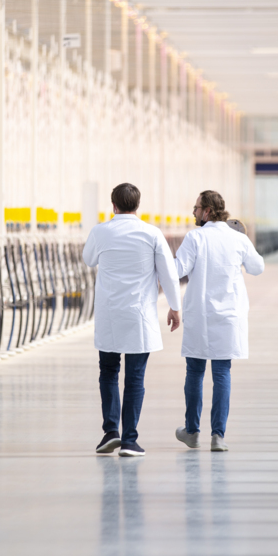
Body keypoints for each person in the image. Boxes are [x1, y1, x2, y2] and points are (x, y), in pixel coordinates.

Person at [83, 183, 182, 457]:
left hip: (109, 314)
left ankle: (110, 432)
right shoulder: (151, 233)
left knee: (108, 372)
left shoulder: (101, 231)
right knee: (135, 378)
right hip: (139, 315)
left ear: (113, 205)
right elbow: (168, 273)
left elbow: (88, 259)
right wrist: (175, 307)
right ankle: (129, 440)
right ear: (138, 205)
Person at [173, 190, 264, 452]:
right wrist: (243, 244)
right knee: (222, 372)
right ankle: (218, 436)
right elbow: (257, 267)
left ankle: (192, 432)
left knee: (195, 372)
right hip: (228, 317)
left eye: (196, 208)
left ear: (208, 211)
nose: (193, 212)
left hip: (200, 316)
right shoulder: (238, 239)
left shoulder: (196, 237)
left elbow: (178, 270)